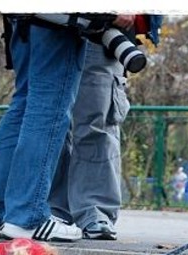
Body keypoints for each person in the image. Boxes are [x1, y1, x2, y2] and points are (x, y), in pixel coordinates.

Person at [0, 15, 89, 242]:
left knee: (23, 105)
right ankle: (27, 218)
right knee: (48, 106)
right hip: (57, 21)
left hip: (21, 19)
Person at [49, 15, 161, 240]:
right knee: (51, 124)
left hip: (104, 32)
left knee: (97, 122)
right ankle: (55, 209)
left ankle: (94, 209)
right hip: (53, 26)